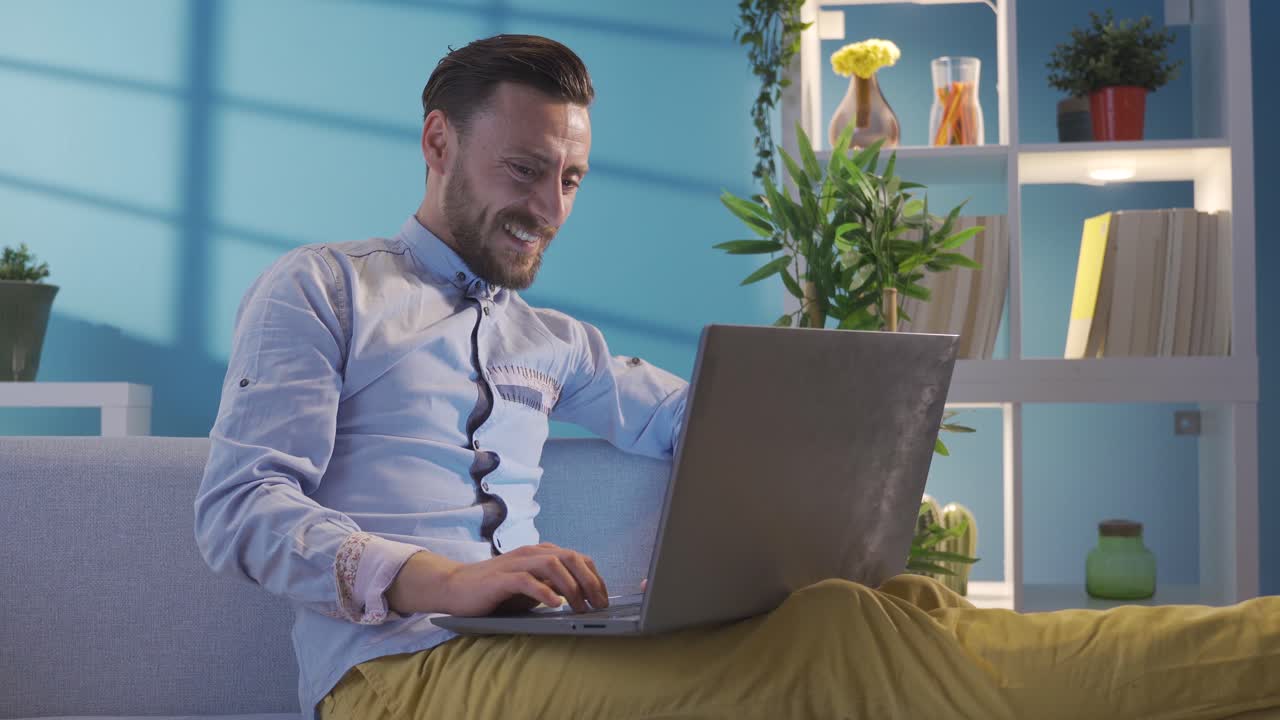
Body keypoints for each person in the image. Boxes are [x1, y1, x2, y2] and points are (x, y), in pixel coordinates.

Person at [196, 34, 1280, 720]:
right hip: (399, 680)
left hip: (522, 649)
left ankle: (1249, 652)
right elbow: (239, 510)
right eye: (523, 168)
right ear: (437, 143)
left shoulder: (549, 340)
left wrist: (825, 456)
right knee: (838, 654)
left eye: (569, 177)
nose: (548, 206)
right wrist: (439, 575)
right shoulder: (323, 290)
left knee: (875, 607)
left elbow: (695, 420)